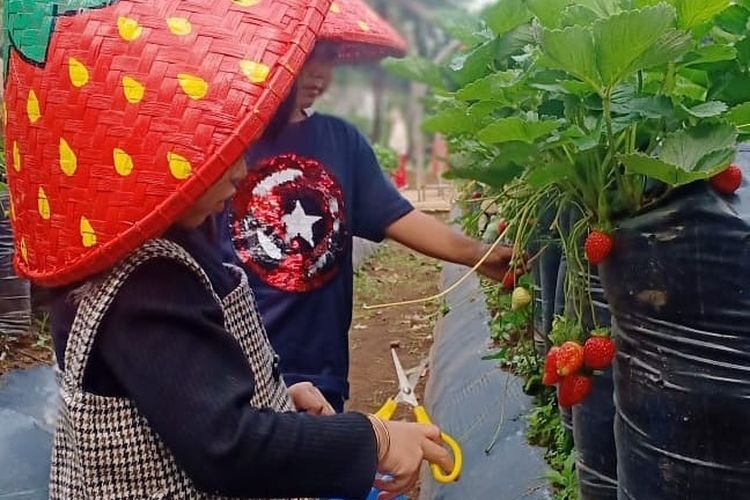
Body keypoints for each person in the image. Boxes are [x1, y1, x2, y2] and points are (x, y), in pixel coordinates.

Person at [3, 1, 452, 498]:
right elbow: (227, 445)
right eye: (221, 151)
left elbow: (189, 393)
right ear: (157, 154)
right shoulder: (146, 284)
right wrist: (375, 436)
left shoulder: (161, 252)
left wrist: (271, 397)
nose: (242, 171)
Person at [217, 41, 515, 414]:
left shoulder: (341, 141)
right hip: (236, 366)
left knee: (318, 465)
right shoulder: (223, 145)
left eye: (327, 59)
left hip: (318, 366)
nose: (320, 73)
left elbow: (395, 215)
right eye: (306, 58)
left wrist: (478, 255)